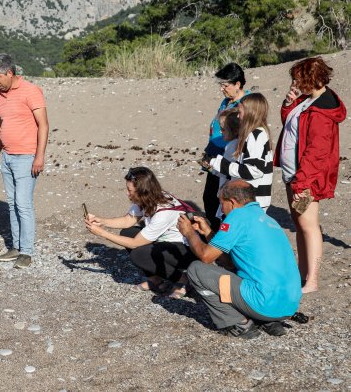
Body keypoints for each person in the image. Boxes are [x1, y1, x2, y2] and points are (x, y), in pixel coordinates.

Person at [178, 180, 301, 339]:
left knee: (196, 269)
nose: (221, 208)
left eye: (222, 203)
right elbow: (229, 261)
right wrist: (207, 231)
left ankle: (239, 324)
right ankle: (265, 320)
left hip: (263, 303)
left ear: (232, 202)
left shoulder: (237, 216)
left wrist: (189, 233)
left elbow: (206, 257)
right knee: (235, 268)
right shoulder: (267, 219)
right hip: (288, 305)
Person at [274, 57, 347, 294]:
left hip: (305, 177)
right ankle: (302, 272)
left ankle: (312, 279)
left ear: (311, 79)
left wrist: (302, 181)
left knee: (309, 225)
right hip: (293, 173)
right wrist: (289, 104)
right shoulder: (308, 101)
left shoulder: (322, 108)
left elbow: (317, 151)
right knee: (299, 223)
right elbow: (292, 126)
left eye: (298, 78)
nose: (295, 83)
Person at [82, 167, 198, 299]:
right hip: (166, 242)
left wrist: (102, 233)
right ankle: (155, 279)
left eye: (130, 190)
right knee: (127, 232)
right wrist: (101, 221)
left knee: (139, 254)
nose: (127, 193)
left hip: (185, 250)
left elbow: (135, 244)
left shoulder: (163, 213)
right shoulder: (150, 198)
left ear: (143, 191)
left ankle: (182, 280)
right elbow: (127, 221)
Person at [0, 54, 49, 269]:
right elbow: (0, 126)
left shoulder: (31, 91)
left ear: (9, 73)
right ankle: (15, 246)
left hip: (27, 157)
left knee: (23, 204)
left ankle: (26, 252)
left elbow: (44, 125)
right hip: (8, 157)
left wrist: (39, 156)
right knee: (12, 204)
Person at [203, 93, 273, 211]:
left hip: (253, 200)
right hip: (251, 199)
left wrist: (220, 164)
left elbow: (253, 170)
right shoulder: (254, 134)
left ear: (251, 113)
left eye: (240, 112)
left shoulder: (256, 135)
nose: (238, 117)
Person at [202, 63, 249, 229]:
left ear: (237, 84)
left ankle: (218, 239)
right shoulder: (226, 102)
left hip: (228, 160)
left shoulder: (246, 104)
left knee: (222, 201)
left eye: (225, 85)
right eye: (220, 85)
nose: (222, 88)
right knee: (209, 197)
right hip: (215, 156)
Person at [205, 108, 240, 219]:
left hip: (229, 196)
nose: (220, 132)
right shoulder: (237, 144)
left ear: (233, 129)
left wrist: (213, 166)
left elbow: (228, 171)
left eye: (223, 129)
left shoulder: (232, 146)